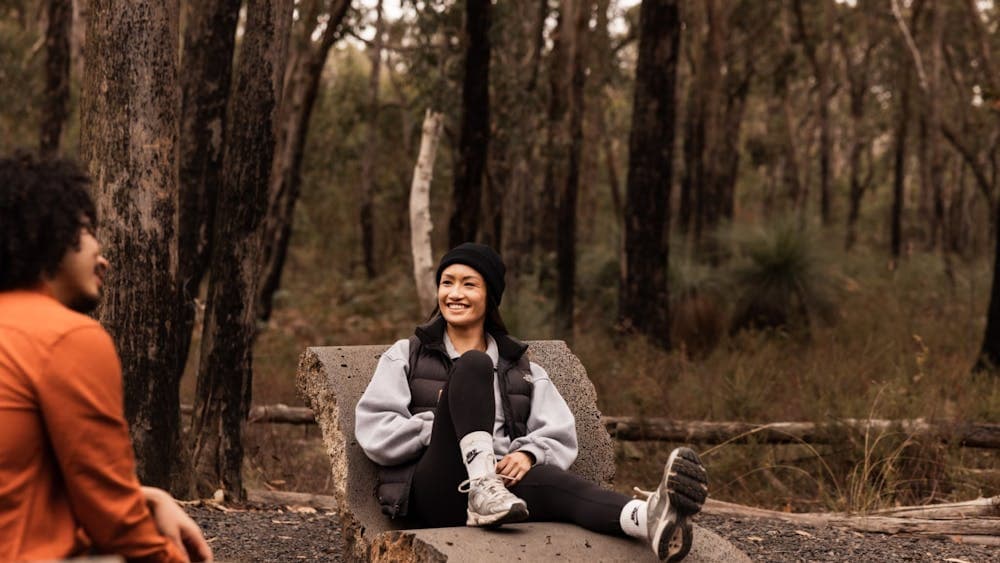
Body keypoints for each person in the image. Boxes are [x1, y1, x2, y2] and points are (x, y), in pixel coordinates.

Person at [356, 243, 709, 562]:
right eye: (447, 282)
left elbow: (559, 434)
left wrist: (527, 454)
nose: (454, 293)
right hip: (437, 489)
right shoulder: (407, 355)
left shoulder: (522, 369)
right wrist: (441, 427)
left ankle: (650, 518)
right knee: (474, 366)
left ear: (489, 296)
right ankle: (481, 488)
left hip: (502, 491)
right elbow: (375, 431)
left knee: (564, 489)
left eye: (469, 284)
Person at [0, 153, 212, 562]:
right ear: (55, 234)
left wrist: (148, 497)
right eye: (89, 232)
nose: (103, 257)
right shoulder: (66, 336)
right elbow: (114, 520)